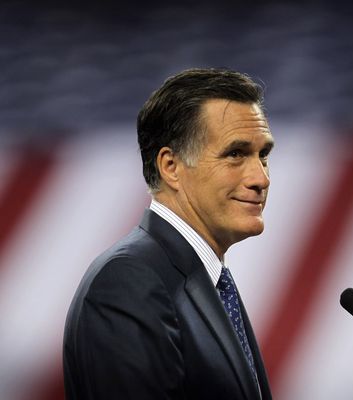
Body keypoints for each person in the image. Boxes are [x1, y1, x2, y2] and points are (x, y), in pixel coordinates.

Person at [63, 68, 274, 400]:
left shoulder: (203, 278)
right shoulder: (128, 281)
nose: (261, 178)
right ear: (171, 167)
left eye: (263, 156)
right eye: (236, 154)